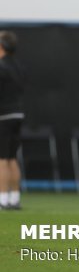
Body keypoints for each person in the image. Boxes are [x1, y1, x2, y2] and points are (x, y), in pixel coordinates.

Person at [0, 31, 26, 210]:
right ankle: (14, 198)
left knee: (2, 159)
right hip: (18, 114)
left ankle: (2, 199)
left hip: (4, 115)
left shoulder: (2, 67)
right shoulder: (18, 66)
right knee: (12, 158)